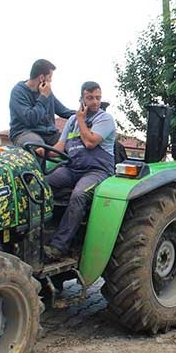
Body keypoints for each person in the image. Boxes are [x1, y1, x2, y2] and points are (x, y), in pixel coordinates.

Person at [43, 81, 116, 260]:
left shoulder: (104, 119)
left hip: (98, 171)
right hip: (73, 168)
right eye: (90, 98)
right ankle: (38, 234)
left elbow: (91, 142)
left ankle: (59, 246)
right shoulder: (72, 121)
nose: (95, 102)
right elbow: (60, 146)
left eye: (97, 98)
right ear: (81, 99)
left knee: (79, 195)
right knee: (41, 184)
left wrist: (82, 120)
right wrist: (41, 152)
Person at [9, 59, 75, 148]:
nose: (51, 81)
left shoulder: (47, 92)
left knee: (74, 145)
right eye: (49, 77)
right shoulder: (18, 92)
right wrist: (43, 97)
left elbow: (64, 111)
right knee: (37, 146)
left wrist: (86, 113)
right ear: (41, 78)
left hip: (49, 134)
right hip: (25, 133)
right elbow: (31, 119)